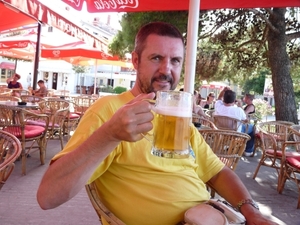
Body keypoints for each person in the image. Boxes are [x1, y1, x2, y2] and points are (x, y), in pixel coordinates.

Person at [37, 22, 277, 225]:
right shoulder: (110, 110)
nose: (166, 70)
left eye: (175, 61)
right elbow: (47, 196)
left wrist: (250, 211)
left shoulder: (178, 115)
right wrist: (109, 134)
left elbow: (217, 171)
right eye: (156, 58)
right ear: (135, 60)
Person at [214, 87, 255, 156]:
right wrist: (240, 105)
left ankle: (230, 146)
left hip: (221, 130)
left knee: (245, 126)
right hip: (235, 133)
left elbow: (219, 99)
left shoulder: (218, 106)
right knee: (253, 127)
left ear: (223, 98)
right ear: (234, 100)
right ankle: (248, 151)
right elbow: (245, 121)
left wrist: (223, 91)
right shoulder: (238, 110)